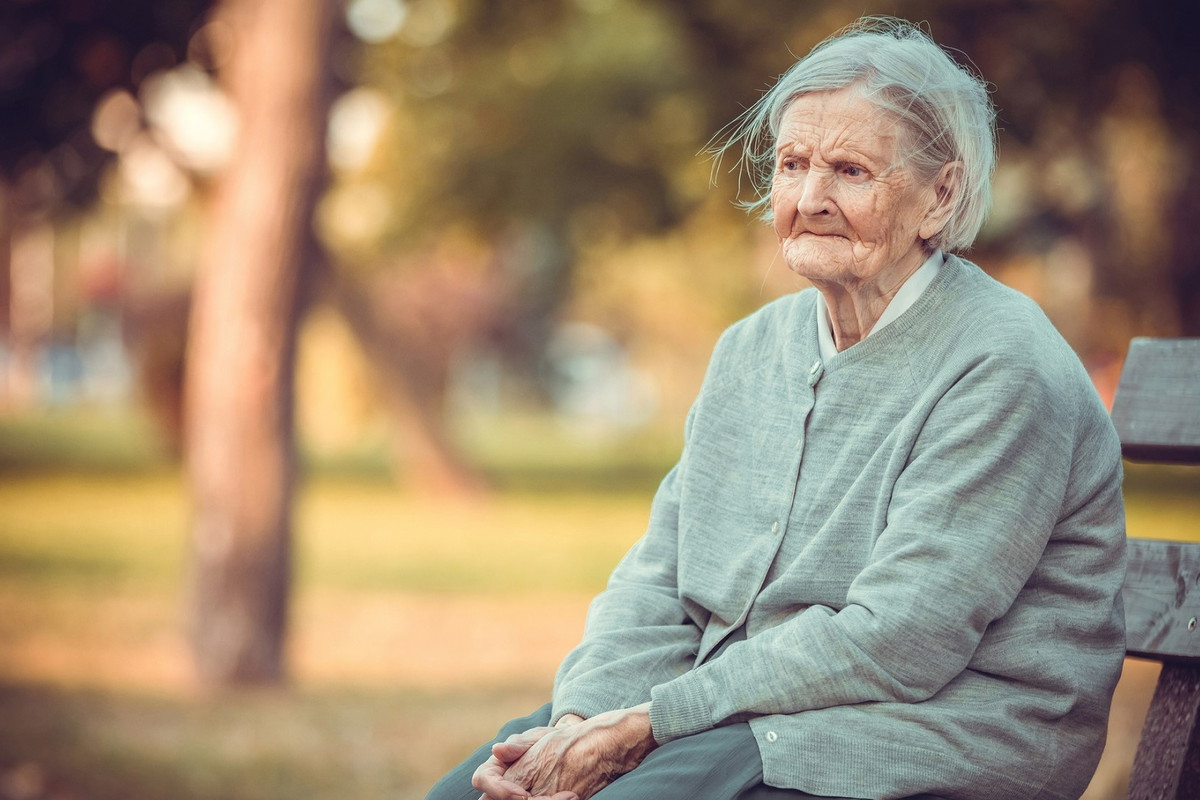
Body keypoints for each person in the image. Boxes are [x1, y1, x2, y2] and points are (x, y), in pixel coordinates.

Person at [426, 16, 1126, 800]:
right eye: (792, 165)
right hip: (746, 711)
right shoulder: (751, 350)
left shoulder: (1003, 365)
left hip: (941, 727)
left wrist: (651, 723)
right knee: (479, 793)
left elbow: (899, 642)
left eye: (851, 171)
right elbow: (660, 579)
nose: (811, 197)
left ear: (941, 194)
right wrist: (582, 717)